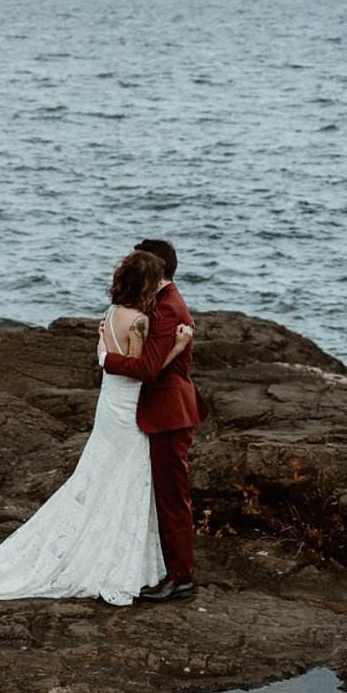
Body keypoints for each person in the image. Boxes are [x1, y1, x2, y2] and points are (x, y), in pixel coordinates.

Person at [0, 249, 194, 606]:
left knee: (101, 477)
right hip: (127, 409)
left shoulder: (109, 315)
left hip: (111, 406)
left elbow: (119, 360)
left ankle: (116, 549)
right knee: (122, 481)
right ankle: (118, 553)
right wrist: (177, 346)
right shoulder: (140, 320)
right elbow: (146, 371)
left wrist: (105, 357)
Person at [98, 238, 207, 602]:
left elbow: (146, 368)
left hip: (169, 414)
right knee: (161, 495)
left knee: (172, 499)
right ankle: (166, 569)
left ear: (154, 267)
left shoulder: (167, 309)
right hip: (160, 411)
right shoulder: (158, 303)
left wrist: (103, 359)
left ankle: (182, 579)